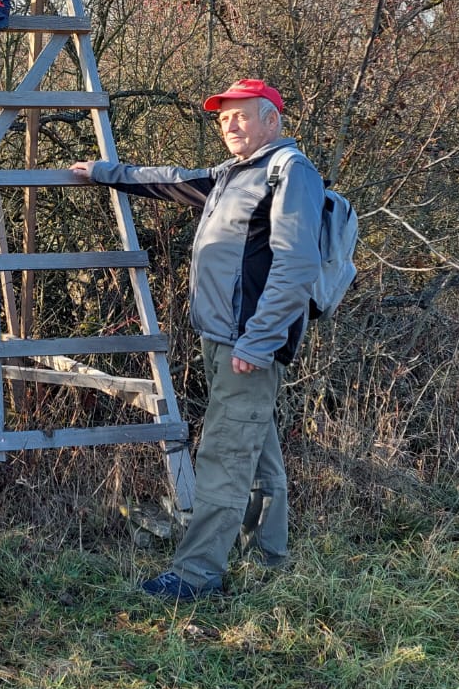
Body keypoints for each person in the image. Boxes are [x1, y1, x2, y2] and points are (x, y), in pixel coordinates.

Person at [71, 78, 324, 601]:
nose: (230, 125)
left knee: (224, 455)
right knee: (255, 447)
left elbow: (297, 265)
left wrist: (258, 341)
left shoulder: (288, 171)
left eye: (241, 115)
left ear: (271, 120)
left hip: (248, 344)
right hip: (223, 339)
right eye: (223, 118)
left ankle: (196, 573)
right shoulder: (233, 174)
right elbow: (169, 179)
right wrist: (103, 172)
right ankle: (268, 556)